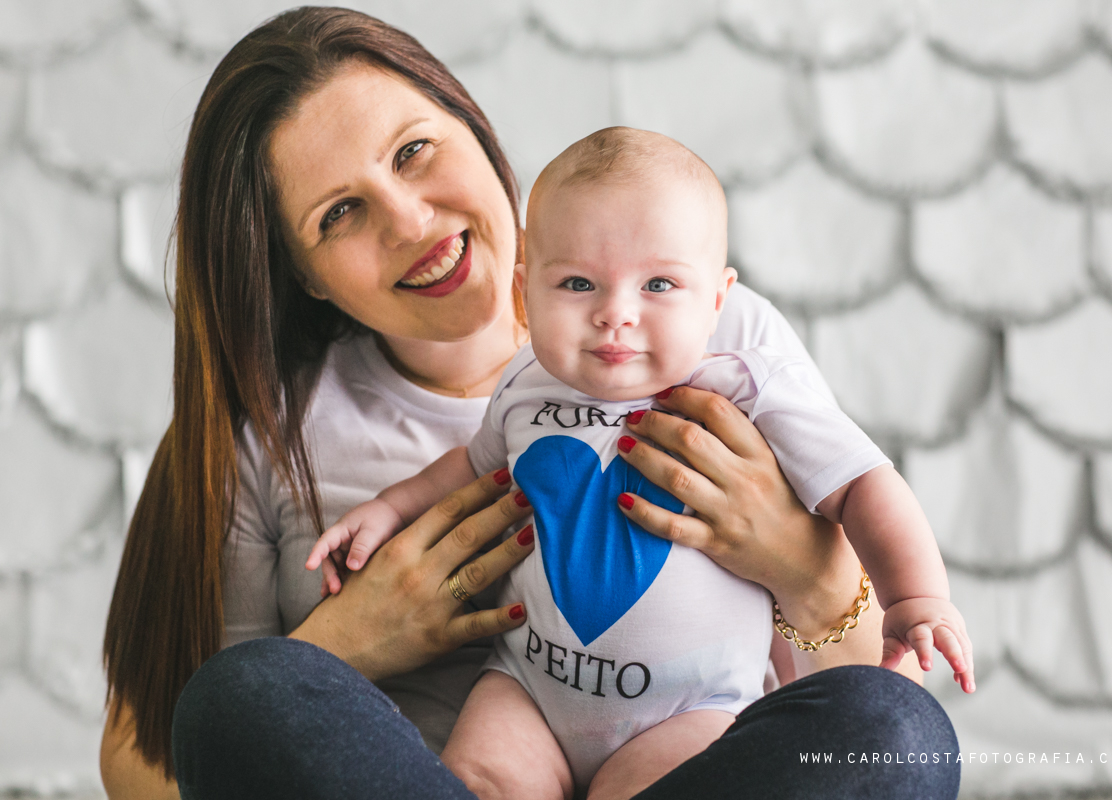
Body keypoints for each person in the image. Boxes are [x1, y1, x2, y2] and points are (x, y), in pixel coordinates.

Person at [98, 7, 961, 800]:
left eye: (413, 151)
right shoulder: (268, 430)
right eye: (341, 214)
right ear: (303, 277)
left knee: (895, 731)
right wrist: (345, 643)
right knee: (244, 689)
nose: (410, 221)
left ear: (473, 124)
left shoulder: (714, 340)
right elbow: (160, 756)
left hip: (685, 758)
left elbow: (852, 692)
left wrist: (801, 569)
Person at [306, 127, 973, 799]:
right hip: (531, 690)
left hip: (690, 710)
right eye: (576, 282)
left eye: (658, 284)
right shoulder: (526, 383)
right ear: (524, 292)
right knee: (481, 778)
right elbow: (469, 469)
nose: (614, 314)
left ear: (717, 300)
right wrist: (389, 508)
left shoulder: (747, 389)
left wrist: (916, 596)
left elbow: (863, 484)